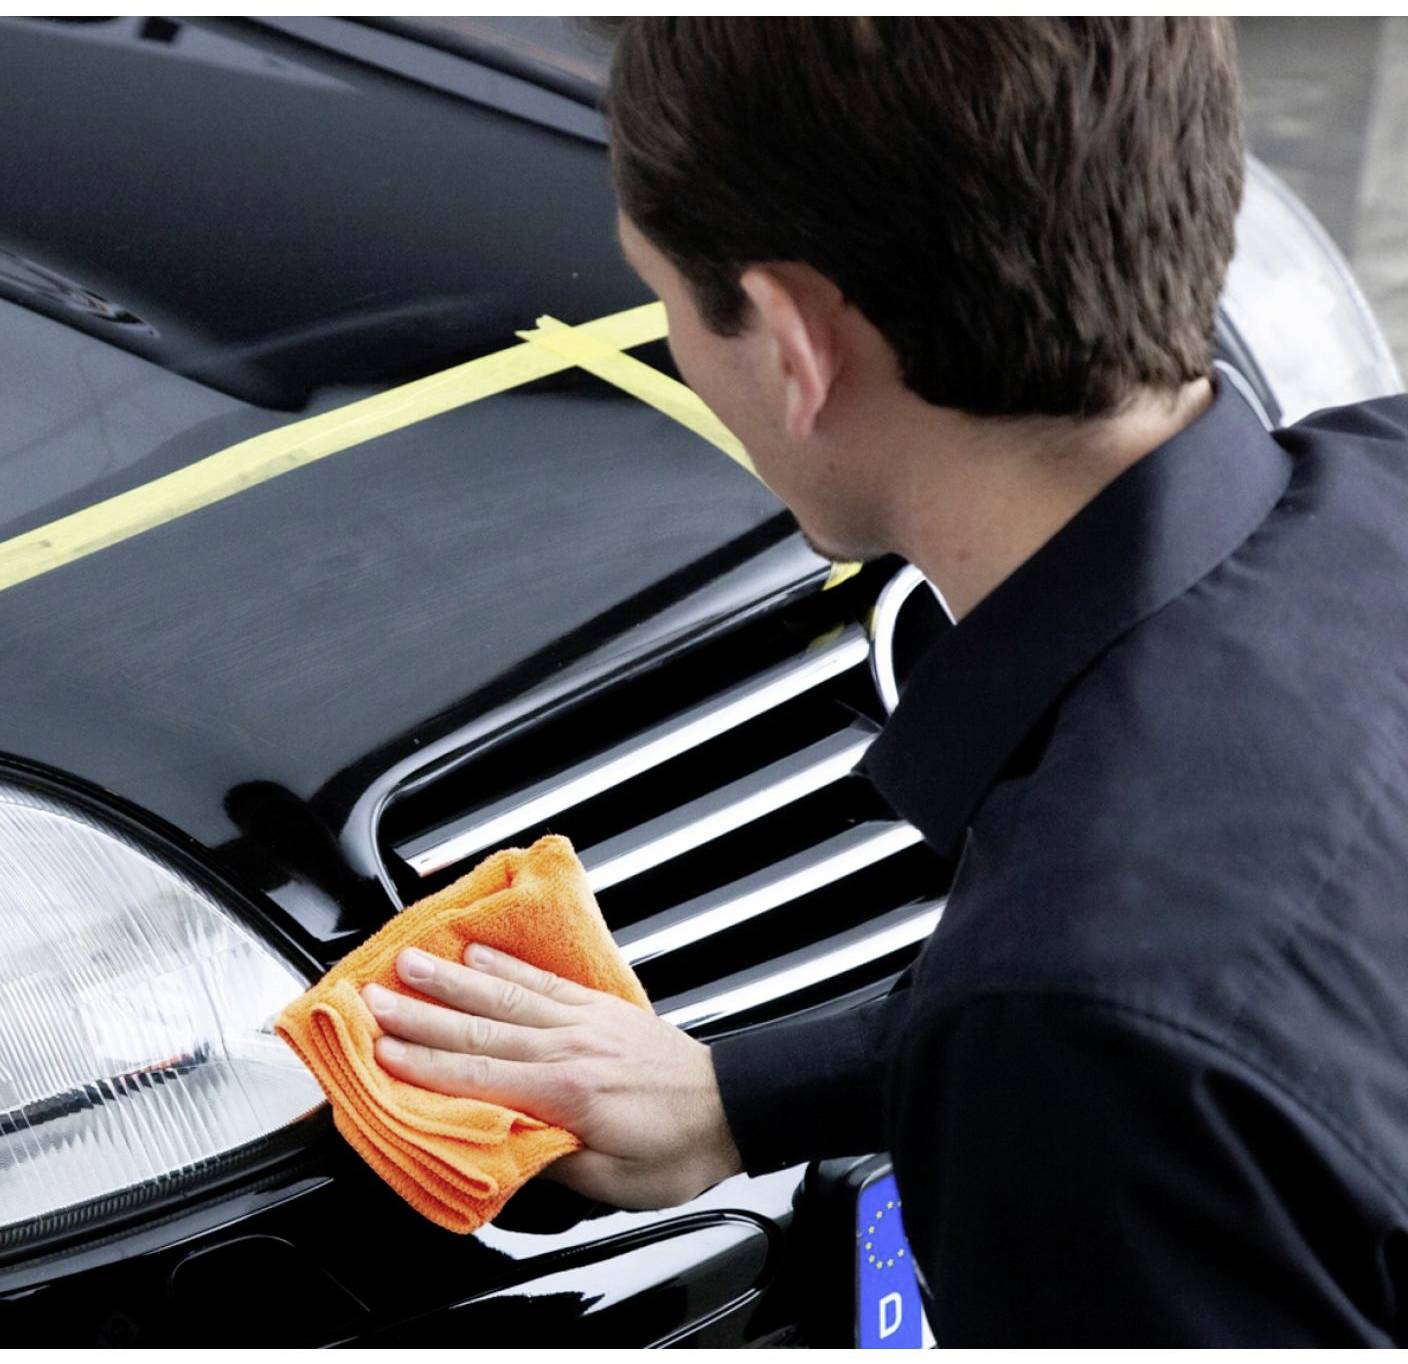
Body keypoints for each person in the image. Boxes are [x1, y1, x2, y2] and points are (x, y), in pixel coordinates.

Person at [357, 17, 1408, 1345]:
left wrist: (1021, 1058)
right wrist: (754, 1095)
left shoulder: (1088, 1036)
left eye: (660, 292)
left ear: (794, 345)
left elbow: (1138, 1029)